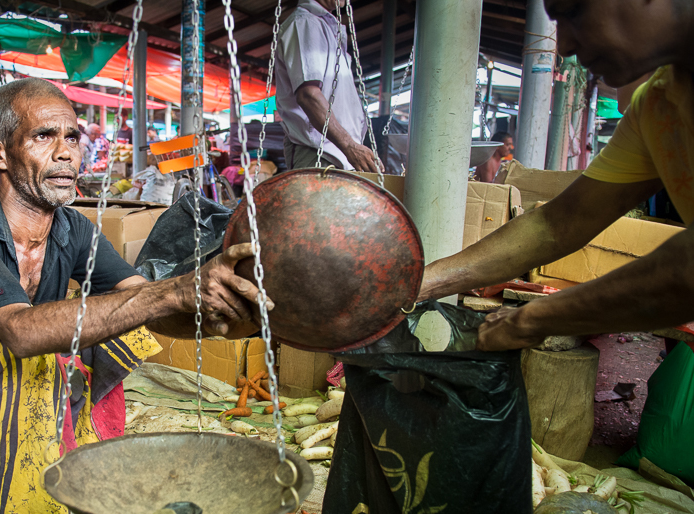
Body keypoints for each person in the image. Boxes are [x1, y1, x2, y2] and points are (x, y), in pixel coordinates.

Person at [0, 78, 265, 514]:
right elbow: (21, 331)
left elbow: (144, 301)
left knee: (125, 317)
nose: (66, 154)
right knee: (20, 339)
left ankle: (67, 441)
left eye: (73, 138)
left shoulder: (74, 229)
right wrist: (172, 289)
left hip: (3, 430)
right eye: (44, 137)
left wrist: (227, 312)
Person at [420, 0, 694, 352]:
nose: (563, 45)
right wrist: (422, 284)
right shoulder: (657, 105)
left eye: (573, 10)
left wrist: (534, 318)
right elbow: (555, 225)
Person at [274, 0, 378, 172]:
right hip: (319, 154)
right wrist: (350, 146)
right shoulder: (305, 23)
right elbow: (308, 95)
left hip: (340, 153)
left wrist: (352, 147)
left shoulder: (325, 27)